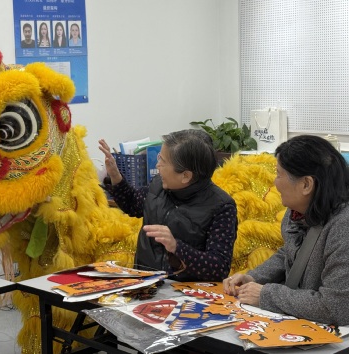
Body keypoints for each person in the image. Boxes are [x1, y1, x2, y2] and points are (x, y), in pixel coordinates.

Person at [224, 135, 349, 326]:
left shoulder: (343, 227)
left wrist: (266, 295)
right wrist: (254, 277)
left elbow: (336, 307)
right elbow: (290, 253)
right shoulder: (297, 213)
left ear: (306, 184)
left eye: (279, 174)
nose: (275, 183)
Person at [99, 129, 237, 281]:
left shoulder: (222, 207)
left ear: (186, 176)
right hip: (145, 283)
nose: (157, 165)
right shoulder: (159, 184)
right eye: (159, 157)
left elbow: (219, 268)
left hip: (185, 291)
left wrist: (176, 247)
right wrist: (115, 175)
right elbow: (132, 204)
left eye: (163, 161)